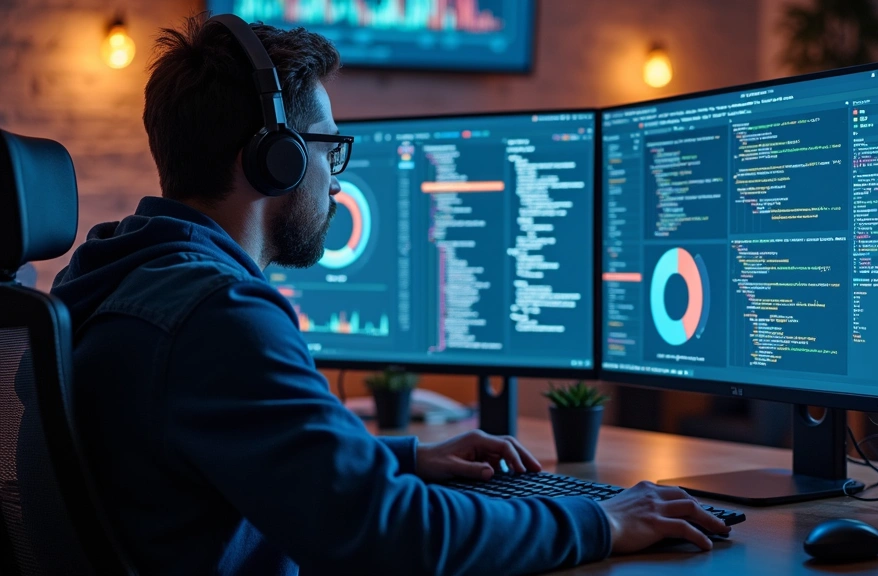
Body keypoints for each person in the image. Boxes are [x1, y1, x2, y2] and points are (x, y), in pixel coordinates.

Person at [51, 13, 729, 575]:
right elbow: (393, 537)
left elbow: (238, 456)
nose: (337, 183)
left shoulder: (118, 271)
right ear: (272, 158)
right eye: (328, 149)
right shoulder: (218, 317)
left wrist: (401, 458)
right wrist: (599, 519)